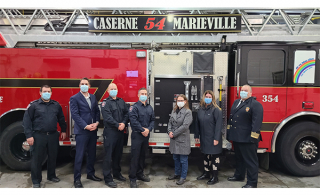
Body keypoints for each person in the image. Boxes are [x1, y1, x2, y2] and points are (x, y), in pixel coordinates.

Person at [23, 85, 67, 188]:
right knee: (37, 159)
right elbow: (27, 121)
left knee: (53, 157)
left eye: (48, 91)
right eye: (44, 91)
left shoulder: (56, 105)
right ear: (40, 92)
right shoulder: (34, 105)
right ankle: (36, 180)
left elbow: (61, 118)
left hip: (53, 135)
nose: (46, 93)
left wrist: (63, 130)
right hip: (39, 136)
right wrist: (29, 136)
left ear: (51, 93)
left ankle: (51, 176)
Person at [227, 84, 263, 188]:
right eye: (242, 90)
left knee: (251, 161)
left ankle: (252, 183)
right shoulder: (236, 102)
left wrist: (253, 137)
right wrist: (229, 134)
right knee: (239, 158)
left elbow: (256, 123)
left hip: (247, 139)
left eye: (246, 90)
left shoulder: (255, 104)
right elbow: (231, 118)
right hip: (237, 137)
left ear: (251, 93)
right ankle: (239, 175)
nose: (243, 92)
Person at [70, 77, 102, 188]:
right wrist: (86, 126)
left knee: (92, 154)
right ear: (79, 86)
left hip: (93, 130)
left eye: (86, 83)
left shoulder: (93, 97)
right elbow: (75, 115)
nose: (84, 85)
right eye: (82, 83)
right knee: (80, 155)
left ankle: (90, 174)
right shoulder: (74, 98)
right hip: (82, 131)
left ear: (89, 86)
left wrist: (97, 123)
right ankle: (77, 179)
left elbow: (96, 111)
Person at [101, 83, 129, 188]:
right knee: (108, 156)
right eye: (111, 89)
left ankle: (117, 173)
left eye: (115, 89)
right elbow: (107, 117)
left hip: (120, 132)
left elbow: (126, 114)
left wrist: (123, 123)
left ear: (117, 90)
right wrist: (118, 125)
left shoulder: (121, 101)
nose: (113, 90)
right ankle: (108, 178)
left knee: (118, 154)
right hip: (110, 132)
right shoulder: (105, 103)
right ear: (108, 91)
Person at [194, 90, 222, 185]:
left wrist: (216, 139)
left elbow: (219, 126)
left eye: (210, 97)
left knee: (214, 157)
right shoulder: (200, 110)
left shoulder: (216, 110)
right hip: (204, 138)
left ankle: (215, 177)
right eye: (206, 97)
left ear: (213, 98)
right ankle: (206, 173)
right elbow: (197, 124)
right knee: (206, 156)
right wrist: (196, 136)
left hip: (213, 138)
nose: (208, 98)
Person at [128, 88, 155, 188]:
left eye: (145, 94)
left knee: (143, 156)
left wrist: (148, 129)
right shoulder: (134, 107)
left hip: (145, 136)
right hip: (137, 135)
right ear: (138, 95)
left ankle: (140, 174)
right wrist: (142, 130)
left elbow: (152, 120)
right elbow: (133, 121)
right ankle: (132, 178)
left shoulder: (149, 108)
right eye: (142, 93)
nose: (144, 95)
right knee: (135, 157)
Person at [167, 94, 193, 185]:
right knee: (175, 158)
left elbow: (185, 126)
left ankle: (183, 177)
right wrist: (169, 131)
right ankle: (177, 174)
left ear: (185, 101)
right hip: (174, 139)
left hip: (182, 138)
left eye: (182, 100)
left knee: (183, 159)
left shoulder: (188, 112)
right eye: (178, 100)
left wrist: (174, 133)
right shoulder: (174, 110)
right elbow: (169, 122)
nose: (180, 102)